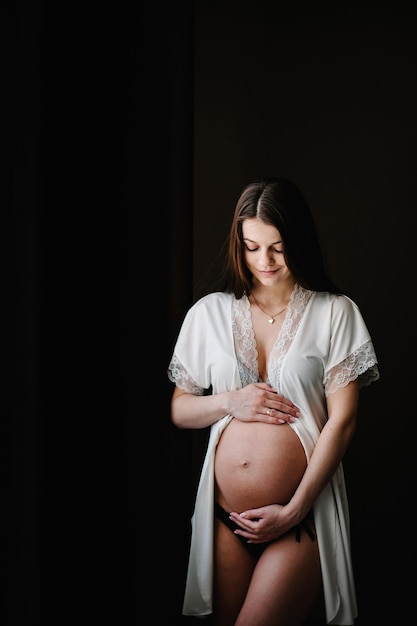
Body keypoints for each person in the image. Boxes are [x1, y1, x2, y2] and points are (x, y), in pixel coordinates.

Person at [167, 177, 379, 626]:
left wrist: (294, 509)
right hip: (227, 517)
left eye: (278, 248)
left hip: (301, 515)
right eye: (251, 247)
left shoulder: (336, 313)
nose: (264, 261)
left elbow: (343, 423)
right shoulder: (209, 313)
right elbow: (180, 409)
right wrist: (230, 402)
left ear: (298, 242)